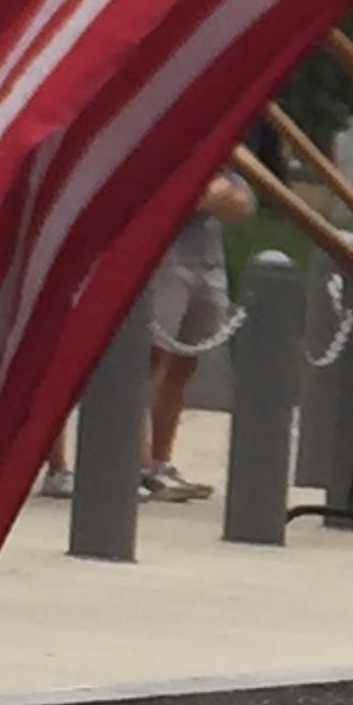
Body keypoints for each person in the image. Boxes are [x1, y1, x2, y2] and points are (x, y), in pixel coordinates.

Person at [146, 169, 253, 500]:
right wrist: (206, 196)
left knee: (185, 363)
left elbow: (242, 207)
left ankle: (162, 461)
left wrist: (207, 196)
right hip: (164, 261)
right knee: (150, 361)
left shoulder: (225, 155)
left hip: (209, 265)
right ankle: (139, 462)